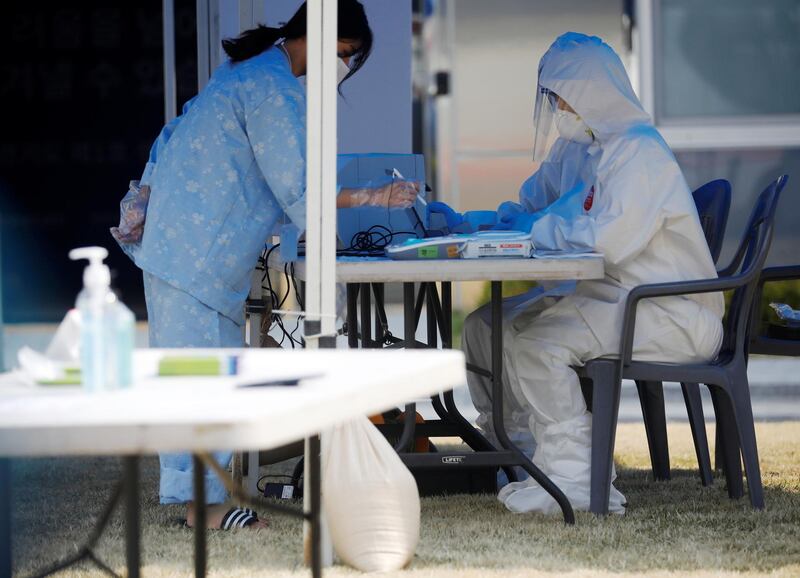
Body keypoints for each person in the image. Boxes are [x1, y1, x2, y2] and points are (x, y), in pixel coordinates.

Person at [111, 1, 415, 530]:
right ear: (318, 38)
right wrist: (375, 196)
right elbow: (298, 184)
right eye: (343, 53)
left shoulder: (248, 71)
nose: (342, 66)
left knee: (197, 376)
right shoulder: (271, 88)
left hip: (184, 245)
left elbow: (178, 137)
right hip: (196, 254)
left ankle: (205, 501)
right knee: (203, 382)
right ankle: (206, 510)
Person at [459, 32, 724, 514]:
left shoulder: (639, 152)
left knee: (536, 345)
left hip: (666, 311)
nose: (557, 108)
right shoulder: (584, 147)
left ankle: (576, 480)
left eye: (562, 96)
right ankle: (522, 457)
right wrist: (473, 224)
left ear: (591, 92)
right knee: (485, 326)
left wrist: (538, 228)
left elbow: (607, 240)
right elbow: (530, 206)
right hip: (611, 297)